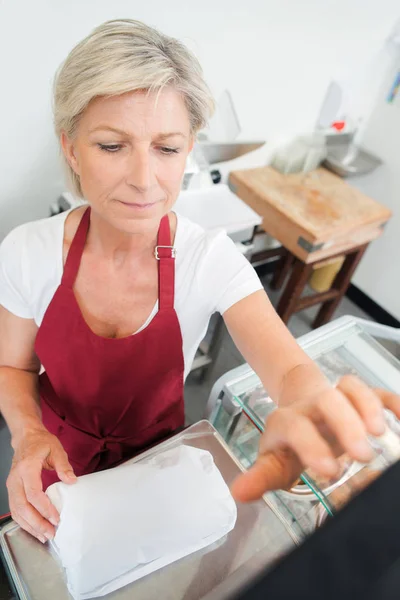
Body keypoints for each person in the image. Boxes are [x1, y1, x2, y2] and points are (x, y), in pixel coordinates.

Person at [0, 19, 399, 545]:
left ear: (189, 148)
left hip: (158, 462)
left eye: (166, 148)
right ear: (71, 147)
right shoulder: (29, 252)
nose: (144, 180)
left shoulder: (208, 259)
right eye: (112, 146)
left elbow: (291, 370)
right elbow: (12, 365)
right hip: (54, 459)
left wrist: (306, 404)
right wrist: (28, 435)